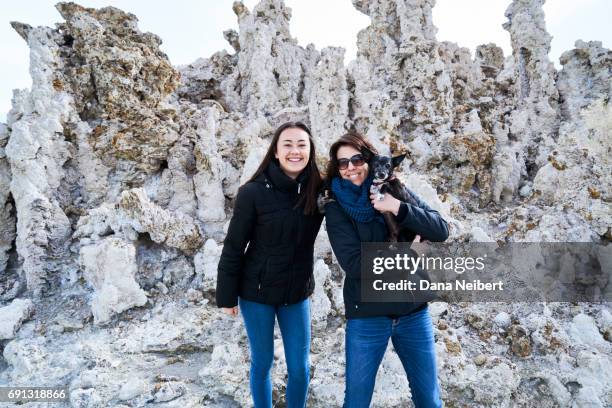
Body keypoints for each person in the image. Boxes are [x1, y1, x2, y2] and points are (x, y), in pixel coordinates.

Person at [323, 132, 449, 408]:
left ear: (368, 159)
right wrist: (411, 256)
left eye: (356, 159)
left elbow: (440, 229)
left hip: (413, 312)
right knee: (356, 402)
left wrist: (397, 207)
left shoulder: (394, 188)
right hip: (368, 316)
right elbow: (357, 266)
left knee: (429, 401)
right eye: (342, 163)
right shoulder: (336, 208)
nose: (351, 167)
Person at [216, 121, 323, 408]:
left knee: (300, 369)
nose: (295, 151)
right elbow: (234, 246)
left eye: (302, 144)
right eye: (287, 144)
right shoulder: (252, 192)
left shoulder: (319, 189)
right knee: (262, 363)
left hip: (296, 293)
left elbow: (355, 199)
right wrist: (226, 296)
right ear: (276, 151)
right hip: (257, 293)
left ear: (310, 151)